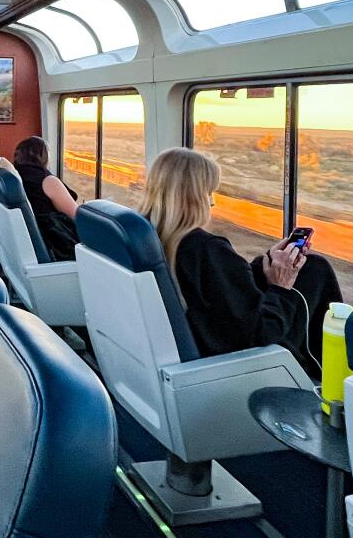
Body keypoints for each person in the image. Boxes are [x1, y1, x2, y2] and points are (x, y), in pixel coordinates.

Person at [140, 147, 342, 378]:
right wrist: (280, 287)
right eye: (208, 193)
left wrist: (266, 263)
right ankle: (331, 377)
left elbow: (224, 288)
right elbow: (262, 331)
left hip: (210, 337)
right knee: (316, 272)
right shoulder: (206, 249)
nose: (211, 202)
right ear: (192, 197)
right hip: (243, 360)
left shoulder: (152, 239)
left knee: (311, 267)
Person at [12, 136, 79, 262]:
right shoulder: (47, 181)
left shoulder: (14, 176)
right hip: (57, 247)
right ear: (44, 156)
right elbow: (77, 217)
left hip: (28, 245)